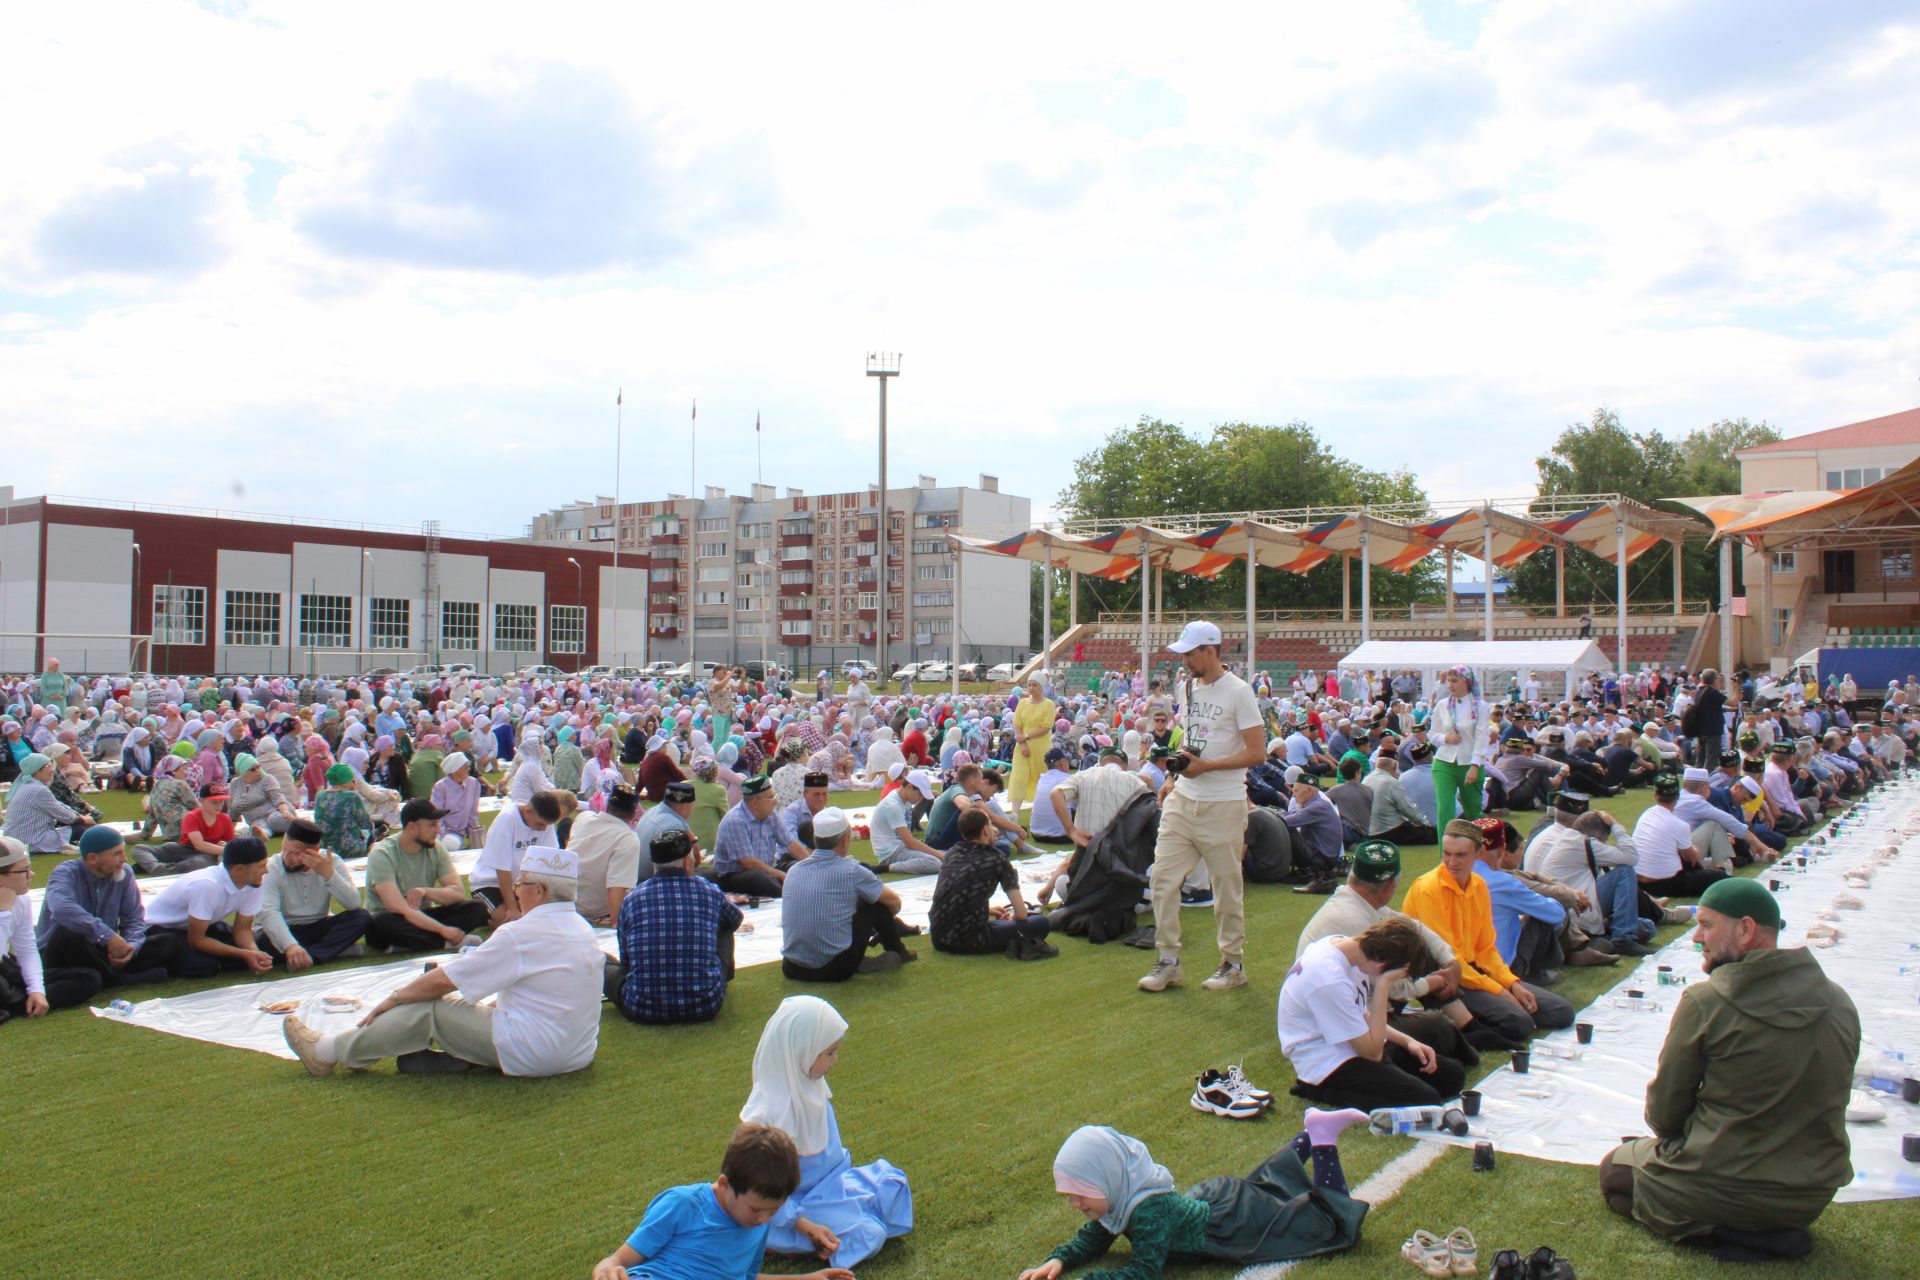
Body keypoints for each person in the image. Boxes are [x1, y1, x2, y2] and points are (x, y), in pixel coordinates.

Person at [1600, 879, 1859, 1257]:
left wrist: (1676, 1145)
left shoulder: (1707, 1001)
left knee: (1614, 1171)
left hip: (1722, 1185)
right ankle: (1762, 1229)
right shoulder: (1840, 1001)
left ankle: (1724, 1232)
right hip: (1810, 1193)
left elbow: (1665, 1112)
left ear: (1746, 929)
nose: (1696, 938)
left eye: (1706, 925)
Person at [284, 845, 605, 1077]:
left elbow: (444, 982)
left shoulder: (522, 933)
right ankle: (441, 1059)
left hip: (535, 1053)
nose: (517, 892)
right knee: (449, 1001)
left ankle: (327, 1052)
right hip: (576, 1054)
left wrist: (393, 998)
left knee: (430, 1005)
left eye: (520, 885)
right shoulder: (583, 929)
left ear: (539, 890)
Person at [1020, 1119, 1367, 1280]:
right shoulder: (1121, 1198)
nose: (1076, 1205)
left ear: (1106, 1178)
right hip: (1216, 1201)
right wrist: (1059, 1261)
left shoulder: (1147, 1211)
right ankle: (1307, 1135)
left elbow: (1144, 1272)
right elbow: (1093, 1239)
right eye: (1069, 1197)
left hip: (1232, 1223)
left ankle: (1321, 1138)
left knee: (1326, 1226)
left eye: (1081, 1194)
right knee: (1270, 1186)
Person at [738, 995, 913, 1267]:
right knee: (870, 1233)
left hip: (829, 1189)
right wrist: (804, 1225)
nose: (835, 1059)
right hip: (792, 1210)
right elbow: (758, 1192)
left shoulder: (811, 1088)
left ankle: (834, 1222)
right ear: (801, 1051)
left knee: (892, 1183)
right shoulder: (768, 1117)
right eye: (828, 1053)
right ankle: (787, 1241)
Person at [1140, 621, 1266, 994]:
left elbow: (1257, 752)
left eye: (1190, 653)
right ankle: (1168, 960)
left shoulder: (1240, 692)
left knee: (1226, 886)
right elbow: (1196, 740)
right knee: (1162, 878)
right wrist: (1173, 775)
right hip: (1185, 797)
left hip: (1223, 801)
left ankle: (1233, 962)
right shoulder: (1188, 686)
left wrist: (1206, 767)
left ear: (1211, 650)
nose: (1184, 660)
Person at [590, 1123, 852, 1280]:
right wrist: (607, 1269)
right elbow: (616, 1261)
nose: (763, 1219)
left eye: (773, 1212)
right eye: (756, 1209)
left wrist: (808, 1279)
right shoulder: (683, 1204)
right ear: (725, 1184)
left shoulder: (758, 1226)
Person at [1401, 820, 1575, 1043]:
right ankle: (1463, 1022)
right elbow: (1448, 959)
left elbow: (1485, 949)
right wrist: (1500, 991)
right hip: (1446, 977)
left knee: (1562, 1011)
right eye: (1447, 854)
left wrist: (1512, 983)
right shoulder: (1429, 889)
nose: (1452, 862)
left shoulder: (1479, 886)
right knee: (1519, 1023)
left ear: (1478, 854)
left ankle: (1476, 1018)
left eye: (1460, 855)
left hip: (1475, 972)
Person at [1279, 916, 1468, 1109]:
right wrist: (1383, 986)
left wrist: (1409, 1041)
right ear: (1381, 965)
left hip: (1352, 1042)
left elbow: (1363, 1017)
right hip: (1326, 1062)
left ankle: (1384, 1079)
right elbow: (1372, 1054)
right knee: (1425, 1100)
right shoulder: (1329, 979)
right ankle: (1314, 1088)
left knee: (1452, 1076)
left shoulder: (1349, 949)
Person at [606, 826, 745, 1024]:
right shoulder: (709, 891)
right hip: (705, 1004)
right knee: (725, 923)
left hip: (643, 1007)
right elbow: (735, 920)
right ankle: (719, 979)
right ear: (688, 864)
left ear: (654, 865)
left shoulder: (632, 899)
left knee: (603, 964)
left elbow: (626, 959)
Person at [780, 808, 915, 981]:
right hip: (834, 968)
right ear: (845, 840)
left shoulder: (794, 870)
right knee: (875, 903)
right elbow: (894, 901)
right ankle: (899, 951)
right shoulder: (852, 871)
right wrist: (883, 920)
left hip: (792, 967)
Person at [35, 825, 179, 985]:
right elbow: (62, 909)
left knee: (168, 941)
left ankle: (112, 971)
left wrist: (130, 947)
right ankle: (121, 978)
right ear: (92, 858)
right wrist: (107, 936)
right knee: (69, 934)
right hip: (64, 950)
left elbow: (133, 919)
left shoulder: (124, 873)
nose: (124, 859)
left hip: (102, 949)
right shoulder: (65, 873)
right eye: (117, 853)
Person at [1521, 791, 1655, 957]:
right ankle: (1622, 939)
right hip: (1574, 912)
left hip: (1564, 908)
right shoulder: (1583, 842)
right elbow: (1631, 858)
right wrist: (1615, 825)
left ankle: (1613, 933)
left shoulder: (1555, 833)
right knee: (1625, 873)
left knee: (1647, 926)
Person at [362, 799, 490, 953]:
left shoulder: (436, 848)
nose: (438, 830)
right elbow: (396, 906)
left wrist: (426, 891)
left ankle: (408, 944)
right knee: (383, 922)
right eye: (432, 825)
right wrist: (443, 930)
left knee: (477, 908)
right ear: (411, 827)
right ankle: (445, 942)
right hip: (393, 917)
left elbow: (457, 893)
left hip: (422, 915)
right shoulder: (382, 854)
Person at [143, 837, 276, 979]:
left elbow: (242, 929)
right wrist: (244, 954)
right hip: (161, 928)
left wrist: (254, 952)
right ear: (239, 869)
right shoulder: (207, 886)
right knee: (204, 966)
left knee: (261, 947)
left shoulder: (253, 882)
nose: (266, 871)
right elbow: (196, 941)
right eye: (261, 866)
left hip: (199, 924)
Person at [1, 836, 102, 1020]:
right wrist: (4, 914)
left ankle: (15, 1005)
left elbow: (27, 950)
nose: (30, 875)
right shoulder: (8, 905)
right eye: (24, 870)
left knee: (88, 979)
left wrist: (37, 991)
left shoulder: (21, 899)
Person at [931, 808, 1055, 958]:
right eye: (990, 825)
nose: (993, 829)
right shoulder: (996, 859)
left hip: (938, 938)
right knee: (1041, 922)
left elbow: (953, 892)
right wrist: (1012, 917)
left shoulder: (952, 853)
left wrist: (987, 909)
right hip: (973, 941)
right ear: (984, 830)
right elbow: (1021, 914)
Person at [253, 818, 371, 970]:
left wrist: (329, 874)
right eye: (285, 850)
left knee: (361, 917)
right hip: (284, 927)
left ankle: (309, 957)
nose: (287, 858)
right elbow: (269, 913)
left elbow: (353, 904)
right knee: (262, 940)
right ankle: (328, 952)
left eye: (295, 854)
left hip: (317, 925)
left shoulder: (331, 861)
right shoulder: (273, 866)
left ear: (313, 852)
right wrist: (291, 946)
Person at [1631, 773, 1730, 897]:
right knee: (1719, 876)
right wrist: (1695, 850)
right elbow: (1692, 857)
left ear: (1655, 795)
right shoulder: (1679, 825)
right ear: (1678, 797)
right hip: (1664, 883)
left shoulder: (1646, 815)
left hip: (1638, 880)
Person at [470, 790, 562, 920]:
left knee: (542, 920)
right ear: (528, 811)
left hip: (518, 885)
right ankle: (489, 914)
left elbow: (549, 861)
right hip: (489, 884)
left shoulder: (545, 824)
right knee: (509, 923)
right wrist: (512, 908)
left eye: (547, 825)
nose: (543, 830)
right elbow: (502, 870)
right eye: (540, 824)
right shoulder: (507, 819)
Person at [714, 777, 810, 896]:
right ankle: (790, 899)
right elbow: (749, 863)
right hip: (735, 875)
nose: (775, 801)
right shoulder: (736, 821)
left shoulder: (770, 816)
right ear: (755, 802)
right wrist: (781, 875)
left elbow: (791, 843)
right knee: (761, 879)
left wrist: (812, 864)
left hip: (765, 870)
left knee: (798, 868)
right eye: (770, 798)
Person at [569, 783, 642, 926]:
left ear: (608, 806)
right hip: (594, 912)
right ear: (634, 814)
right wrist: (616, 926)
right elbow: (617, 888)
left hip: (565, 901)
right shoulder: (627, 838)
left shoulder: (583, 818)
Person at [1429, 665, 1491, 829]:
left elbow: (1482, 737)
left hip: (1470, 763)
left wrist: (1475, 765)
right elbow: (1433, 734)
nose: (1450, 685)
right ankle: (1445, 853)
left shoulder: (1480, 706)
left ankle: (1483, 850)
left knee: (1474, 812)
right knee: (1445, 810)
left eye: (1455, 681)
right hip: (1444, 762)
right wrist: (1445, 738)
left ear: (1466, 682)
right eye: (1449, 681)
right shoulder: (1442, 705)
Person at [1049, 749, 1148, 850]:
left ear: (1100, 763)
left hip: (1086, 849)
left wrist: (1071, 831)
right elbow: (1152, 806)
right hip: (1120, 853)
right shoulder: (1135, 781)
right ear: (1126, 767)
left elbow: (1056, 794)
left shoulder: (1083, 775)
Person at [2, 753, 87, 854]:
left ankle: (70, 845)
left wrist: (78, 815)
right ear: (37, 770)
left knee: (76, 827)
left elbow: (58, 805)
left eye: (51, 765)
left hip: (17, 839)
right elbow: (64, 815)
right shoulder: (38, 789)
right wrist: (82, 819)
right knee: (79, 829)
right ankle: (69, 846)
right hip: (31, 840)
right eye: (47, 766)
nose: (52, 770)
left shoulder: (27, 785)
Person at [1282, 767, 1346, 893]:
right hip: (1323, 856)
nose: (1293, 794)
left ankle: (1306, 873)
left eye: (1296, 790)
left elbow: (1285, 822)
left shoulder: (1317, 807)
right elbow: (1289, 816)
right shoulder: (1314, 803)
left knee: (1287, 830)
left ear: (1309, 791)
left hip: (1322, 861)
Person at [868, 770, 944, 873]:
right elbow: (910, 843)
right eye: (920, 794)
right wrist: (940, 855)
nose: (921, 798)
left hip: (900, 846)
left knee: (943, 854)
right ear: (910, 787)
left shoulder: (903, 799)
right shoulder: (893, 805)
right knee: (935, 863)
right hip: (890, 852)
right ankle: (886, 868)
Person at [1007, 676, 1059, 818]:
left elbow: (1046, 727)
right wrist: (1022, 742)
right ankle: (1014, 813)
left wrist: (1026, 736)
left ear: (1042, 686)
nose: (1031, 688)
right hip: (1022, 747)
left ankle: (1040, 811)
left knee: (1040, 778)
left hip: (1041, 747)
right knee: (1018, 777)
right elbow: (1017, 723)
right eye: (1029, 684)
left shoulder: (1049, 704)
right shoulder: (1022, 703)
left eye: (1034, 685)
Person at [1362, 755, 1436, 846]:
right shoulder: (1391, 782)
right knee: (1432, 834)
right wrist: (1426, 824)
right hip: (1389, 831)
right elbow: (1408, 809)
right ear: (1395, 768)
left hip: (1370, 832)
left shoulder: (1365, 780)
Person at [228, 752, 296, 838]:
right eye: (252, 769)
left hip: (274, 813)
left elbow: (278, 797)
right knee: (258, 827)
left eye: (258, 767)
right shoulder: (234, 784)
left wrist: (285, 811)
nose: (257, 771)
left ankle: (299, 825)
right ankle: (263, 834)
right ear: (243, 772)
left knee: (274, 820)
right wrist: (229, 831)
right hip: (255, 820)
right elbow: (233, 810)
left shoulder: (267, 779)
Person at [429, 751, 486, 851]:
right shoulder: (440, 787)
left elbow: (473, 813)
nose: (469, 769)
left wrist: (475, 832)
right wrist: (440, 837)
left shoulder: (473, 784)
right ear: (456, 770)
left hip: (462, 832)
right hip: (444, 831)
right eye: (466, 767)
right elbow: (437, 817)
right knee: (450, 844)